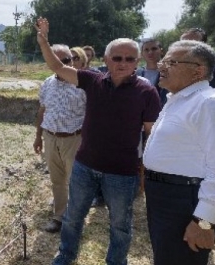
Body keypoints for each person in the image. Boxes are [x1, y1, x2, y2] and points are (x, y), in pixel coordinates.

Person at [34, 18, 161, 265]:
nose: (123, 63)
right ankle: (66, 254)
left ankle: (116, 261)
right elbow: (57, 67)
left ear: (137, 61)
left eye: (129, 58)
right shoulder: (93, 81)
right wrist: (43, 41)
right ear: (105, 59)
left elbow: (150, 135)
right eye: (117, 58)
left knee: (120, 225)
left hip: (122, 172)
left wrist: (145, 170)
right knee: (72, 217)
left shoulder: (146, 92)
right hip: (85, 165)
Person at [143, 40, 215, 265]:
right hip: (167, 196)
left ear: (198, 70)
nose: (162, 67)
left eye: (171, 62)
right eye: (163, 61)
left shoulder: (212, 103)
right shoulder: (179, 100)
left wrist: (204, 222)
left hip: (187, 201)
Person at [33, 45, 86, 233]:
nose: (64, 64)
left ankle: (75, 220)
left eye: (67, 60)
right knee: (57, 180)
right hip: (50, 138)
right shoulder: (47, 83)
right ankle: (59, 216)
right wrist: (38, 136)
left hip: (74, 139)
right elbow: (42, 110)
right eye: (59, 61)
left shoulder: (83, 84)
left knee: (76, 181)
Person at [180, 28, 215, 100]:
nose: (186, 48)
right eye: (182, 44)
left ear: (204, 47)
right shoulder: (171, 73)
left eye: (192, 44)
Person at [136, 38, 168, 105]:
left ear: (161, 51)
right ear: (142, 54)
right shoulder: (136, 74)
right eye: (146, 50)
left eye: (154, 49)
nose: (150, 52)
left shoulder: (169, 72)